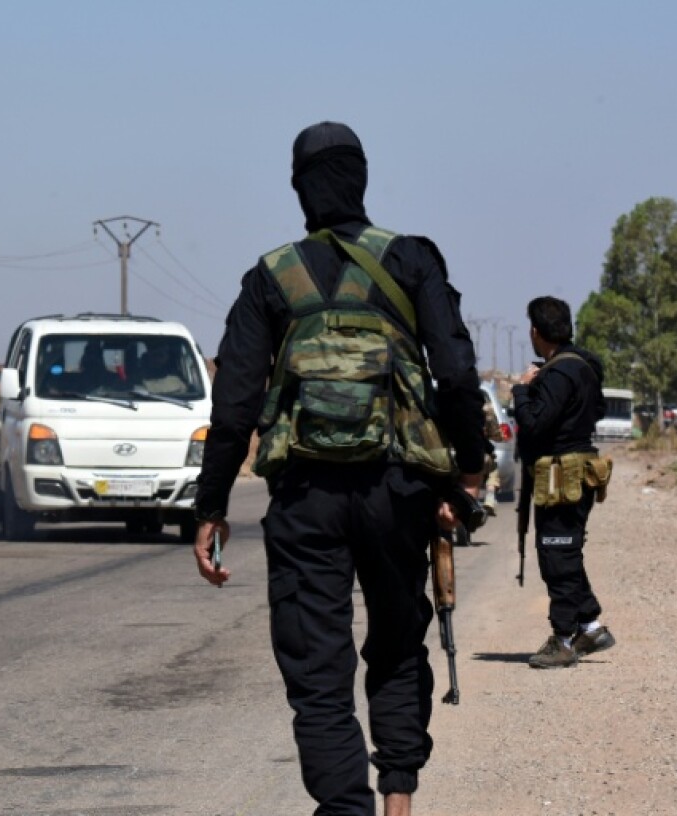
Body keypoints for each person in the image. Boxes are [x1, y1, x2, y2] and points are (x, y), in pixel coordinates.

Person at [192, 121, 487, 816]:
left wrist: (208, 509)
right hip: (398, 489)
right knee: (394, 643)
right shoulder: (412, 260)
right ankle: (399, 802)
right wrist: (465, 478)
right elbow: (456, 374)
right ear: (361, 178)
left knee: (318, 672)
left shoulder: (270, 276)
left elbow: (233, 405)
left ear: (300, 188)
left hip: (305, 499)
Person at [511, 296, 614, 669]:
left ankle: (563, 638)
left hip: (562, 477)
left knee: (557, 556)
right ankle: (591, 626)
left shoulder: (558, 373)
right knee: (566, 553)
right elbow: (596, 410)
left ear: (536, 332)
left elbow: (535, 423)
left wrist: (522, 390)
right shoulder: (584, 366)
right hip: (576, 471)